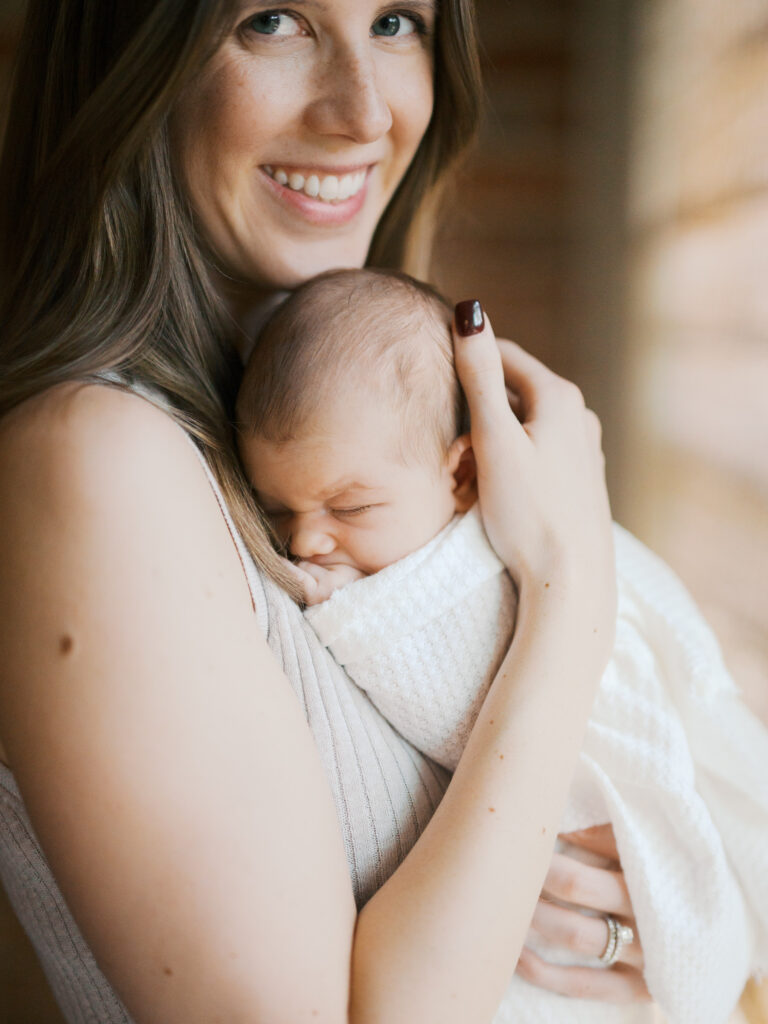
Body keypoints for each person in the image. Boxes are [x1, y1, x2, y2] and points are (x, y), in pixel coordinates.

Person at [0, 2, 654, 1021]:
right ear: (130, 56)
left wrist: (649, 917)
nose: (364, 112)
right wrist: (571, 598)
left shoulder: (349, 427)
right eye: (273, 20)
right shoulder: (94, 460)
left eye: (396, 20)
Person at [236, 266, 768, 1024]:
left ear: (462, 473)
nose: (305, 541)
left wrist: (354, 616)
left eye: (348, 507)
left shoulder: (477, 564)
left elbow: (462, 697)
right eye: (275, 509)